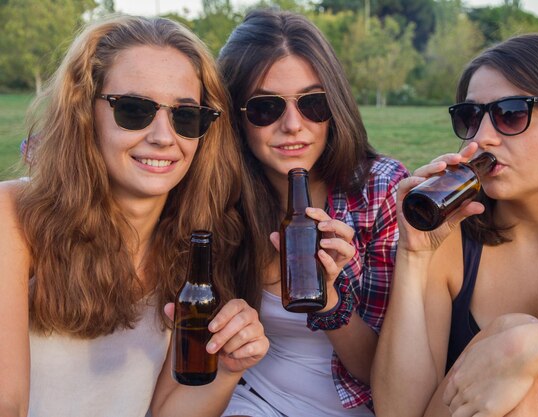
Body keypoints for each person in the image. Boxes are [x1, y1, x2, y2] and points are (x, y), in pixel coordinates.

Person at [0, 15, 269, 417]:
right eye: (134, 109)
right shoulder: (14, 217)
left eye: (186, 115)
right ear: (84, 113)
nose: (164, 136)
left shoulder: (197, 242)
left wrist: (229, 366)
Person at [372, 33, 538, 417]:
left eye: (511, 114)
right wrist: (414, 257)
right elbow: (399, 411)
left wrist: (528, 348)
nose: (483, 137)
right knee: (518, 348)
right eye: (471, 117)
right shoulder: (451, 241)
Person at [217, 9, 409, 416]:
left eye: (313, 104)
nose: (293, 125)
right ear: (237, 118)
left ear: (334, 106)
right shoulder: (219, 196)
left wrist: (329, 298)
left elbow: (382, 371)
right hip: (248, 400)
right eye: (266, 108)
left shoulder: (380, 191)